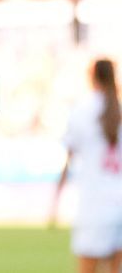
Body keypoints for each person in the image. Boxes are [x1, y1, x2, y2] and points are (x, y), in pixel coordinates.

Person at [53, 59, 122, 273]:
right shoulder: (118, 109)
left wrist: (56, 199)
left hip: (94, 207)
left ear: (92, 76)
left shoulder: (82, 110)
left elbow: (69, 159)